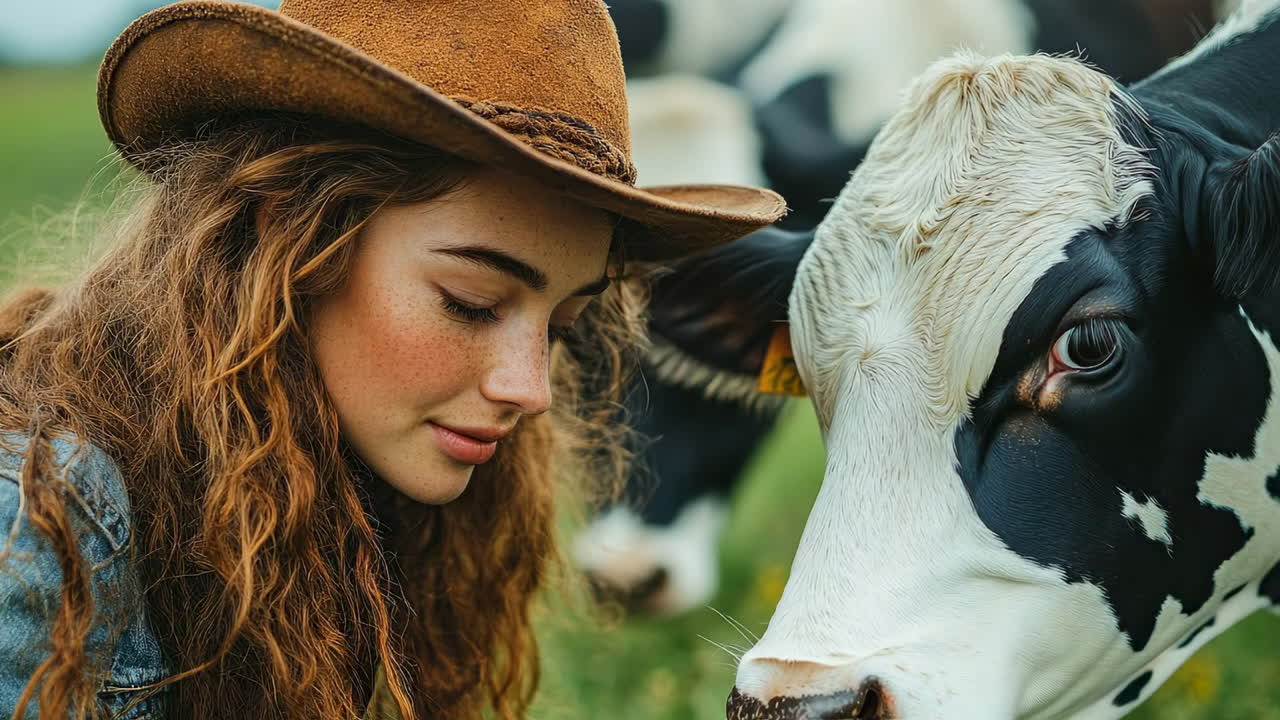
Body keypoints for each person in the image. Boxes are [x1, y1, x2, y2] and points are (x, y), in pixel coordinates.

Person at [0, 1, 786, 719]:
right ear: (291, 245)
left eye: (561, 328)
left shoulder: (339, 510)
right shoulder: (38, 524)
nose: (531, 390)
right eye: (471, 303)